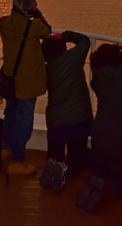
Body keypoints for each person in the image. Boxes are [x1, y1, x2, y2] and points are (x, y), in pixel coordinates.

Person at [78, 42, 122, 212]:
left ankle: (97, 178)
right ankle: (110, 187)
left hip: (100, 134)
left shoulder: (97, 80)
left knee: (102, 162)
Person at [0, 0, 51, 175]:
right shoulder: (34, 26)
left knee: (10, 114)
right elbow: (47, 31)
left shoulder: (4, 23)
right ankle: (17, 160)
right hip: (28, 82)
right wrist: (37, 13)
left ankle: (5, 148)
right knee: (24, 120)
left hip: (11, 80)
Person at [39, 31, 93, 193]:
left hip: (56, 120)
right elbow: (84, 41)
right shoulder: (73, 58)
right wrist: (64, 35)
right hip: (79, 118)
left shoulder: (45, 70)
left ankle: (54, 165)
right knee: (77, 160)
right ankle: (70, 168)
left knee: (54, 153)